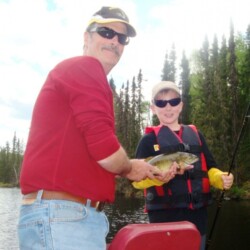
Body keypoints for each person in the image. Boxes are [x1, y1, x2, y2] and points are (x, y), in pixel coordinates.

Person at [17, 6, 165, 250]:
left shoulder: (82, 76)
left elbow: (95, 152)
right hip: (63, 218)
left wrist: (137, 169)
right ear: (86, 38)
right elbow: (105, 150)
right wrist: (130, 168)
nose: (115, 41)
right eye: (106, 32)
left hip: (60, 217)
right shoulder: (85, 67)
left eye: (122, 38)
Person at [134, 81, 234, 250]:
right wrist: (159, 178)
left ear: (181, 106)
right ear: (153, 108)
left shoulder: (196, 135)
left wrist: (220, 178)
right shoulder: (148, 140)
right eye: (161, 103)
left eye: (173, 102)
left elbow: (209, 168)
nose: (168, 107)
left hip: (197, 219)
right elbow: (136, 181)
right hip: (163, 221)